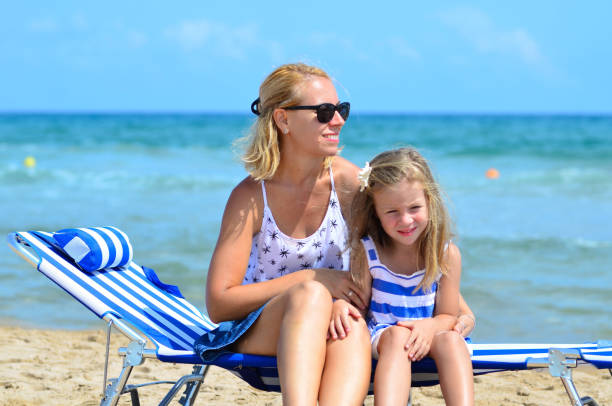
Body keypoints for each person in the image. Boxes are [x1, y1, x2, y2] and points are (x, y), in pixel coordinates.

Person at [194, 62, 475, 406]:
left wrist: (457, 313)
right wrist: (316, 279)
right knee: (311, 296)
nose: (338, 120)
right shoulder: (252, 197)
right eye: (324, 111)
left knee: (353, 323)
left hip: (335, 320)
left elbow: (405, 255)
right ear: (283, 120)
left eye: (341, 109)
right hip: (260, 328)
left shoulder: (349, 185)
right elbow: (220, 304)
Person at [330, 147, 474, 406]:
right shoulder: (368, 251)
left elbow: (448, 316)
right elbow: (359, 309)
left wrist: (430, 327)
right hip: (384, 334)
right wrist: (342, 305)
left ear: (430, 202)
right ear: (376, 212)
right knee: (397, 338)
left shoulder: (446, 255)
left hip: (430, 334)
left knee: (452, 340)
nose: (405, 220)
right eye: (392, 212)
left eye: (414, 207)